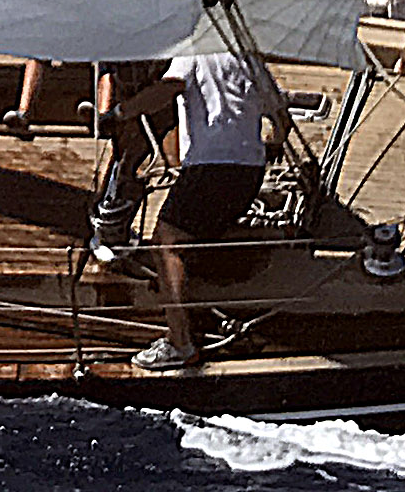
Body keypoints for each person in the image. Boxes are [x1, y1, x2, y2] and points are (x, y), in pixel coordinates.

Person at [104, 38, 298, 372]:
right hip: (248, 174)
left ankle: (180, 343)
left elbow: (168, 89)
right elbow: (281, 117)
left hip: (212, 170)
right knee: (191, 231)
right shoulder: (249, 57)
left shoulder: (195, 50)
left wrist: (123, 111)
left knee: (164, 244)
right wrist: (273, 142)